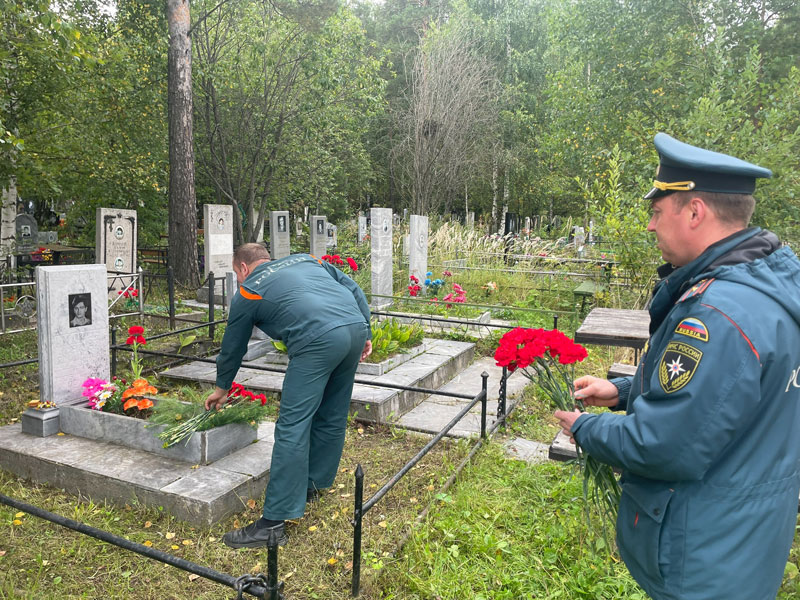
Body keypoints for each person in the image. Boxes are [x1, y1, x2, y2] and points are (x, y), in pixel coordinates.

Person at [555, 133, 800, 600]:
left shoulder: (719, 314)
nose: (650, 226)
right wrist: (624, 391)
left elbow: (663, 445)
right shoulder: (769, 294)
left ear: (694, 213)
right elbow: (730, 394)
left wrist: (584, 428)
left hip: (705, 556)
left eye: (656, 211)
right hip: (746, 537)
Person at [205, 243, 372, 548]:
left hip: (317, 340)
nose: (239, 280)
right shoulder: (306, 261)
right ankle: (313, 483)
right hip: (353, 329)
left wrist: (221, 387)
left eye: (236, 273)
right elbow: (352, 287)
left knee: (292, 426)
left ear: (242, 268)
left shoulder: (248, 291)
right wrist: (366, 330)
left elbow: (233, 346)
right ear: (266, 259)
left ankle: (273, 523)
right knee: (332, 412)